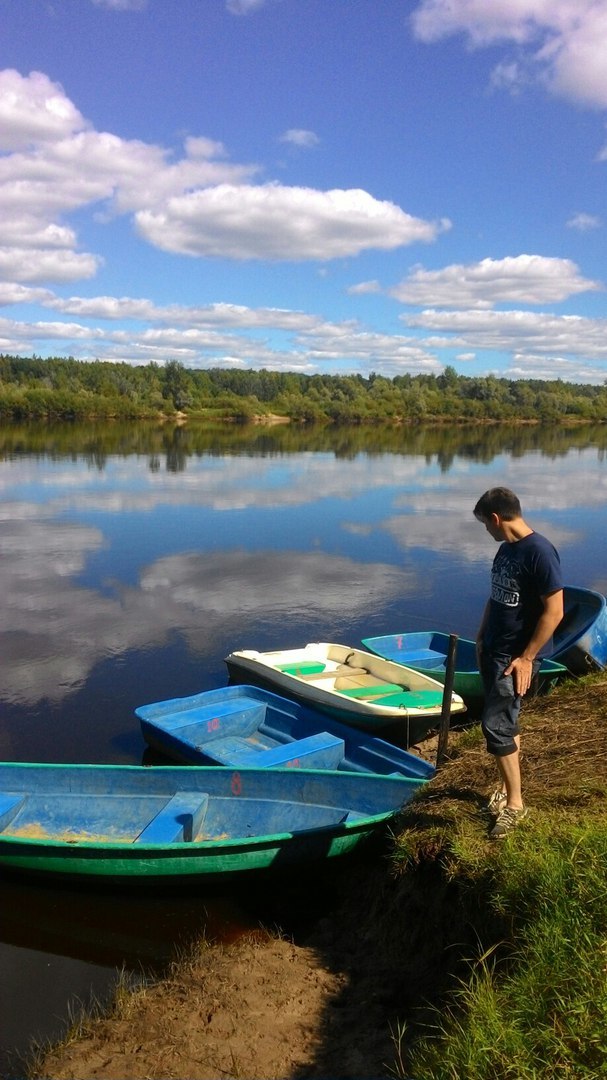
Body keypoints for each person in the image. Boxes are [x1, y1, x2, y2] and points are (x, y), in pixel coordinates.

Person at [474, 487, 563, 840]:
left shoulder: (539, 552)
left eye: (485, 524)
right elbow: (496, 596)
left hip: (513, 659)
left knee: (495, 727)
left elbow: (554, 611)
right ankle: (508, 790)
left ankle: (515, 805)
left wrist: (527, 658)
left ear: (496, 519)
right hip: (493, 649)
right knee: (507, 723)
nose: (487, 531)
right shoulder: (505, 550)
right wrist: (481, 635)